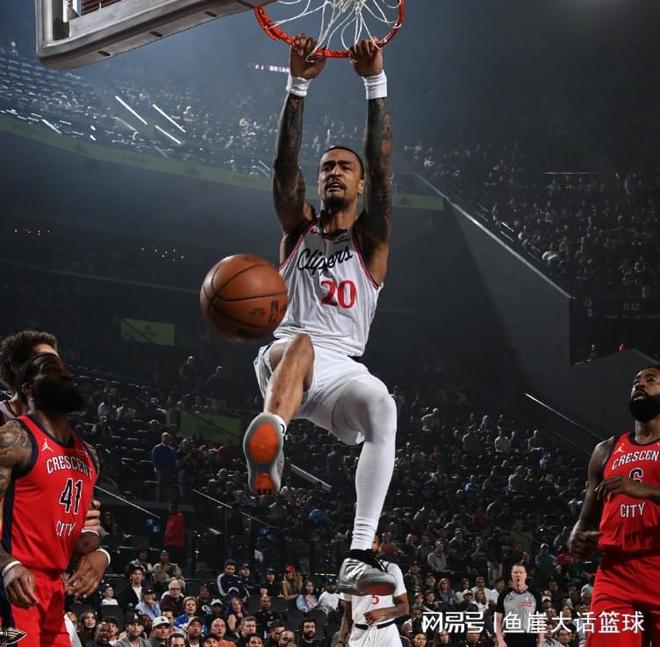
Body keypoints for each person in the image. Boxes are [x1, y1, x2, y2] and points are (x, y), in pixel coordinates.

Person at [243, 33, 398, 596]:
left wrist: (374, 82)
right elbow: (284, 166)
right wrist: (298, 85)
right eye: (327, 166)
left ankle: (357, 554)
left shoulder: (371, 239)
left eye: (344, 167)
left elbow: (383, 166)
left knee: (382, 405)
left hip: (342, 369)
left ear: (360, 183)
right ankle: (270, 437)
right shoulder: (297, 230)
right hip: (287, 356)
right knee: (303, 342)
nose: (333, 172)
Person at [0, 352, 110, 646]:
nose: (64, 376)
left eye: (65, 371)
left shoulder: (88, 455)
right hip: (13, 585)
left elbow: (84, 535)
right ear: (28, 388)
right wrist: (7, 566)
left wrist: (100, 555)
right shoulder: (14, 439)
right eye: (51, 369)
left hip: (54, 592)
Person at [568, 366, 660, 647]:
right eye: (635, 381)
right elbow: (585, 520)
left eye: (650, 379)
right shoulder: (606, 450)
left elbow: (641, 490)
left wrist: (645, 490)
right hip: (616, 572)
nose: (640, 384)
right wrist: (577, 539)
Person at [0, 330, 102, 530]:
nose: (60, 373)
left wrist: (85, 523)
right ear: (18, 368)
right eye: (48, 364)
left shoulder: (64, 437)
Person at [337, 534, 409, 647]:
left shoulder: (391, 569)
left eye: (373, 542)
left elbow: (405, 608)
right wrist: (340, 641)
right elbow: (347, 614)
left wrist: (382, 612)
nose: (368, 546)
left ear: (379, 547)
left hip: (386, 632)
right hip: (360, 634)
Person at [494, 563, 543, 647]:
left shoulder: (535, 594)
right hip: (509, 637)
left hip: (529, 637)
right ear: (511, 575)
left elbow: (540, 620)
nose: (518, 575)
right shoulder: (504, 595)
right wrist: (500, 639)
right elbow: (497, 620)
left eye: (521, 572)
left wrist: (540, 642)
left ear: (526, 575)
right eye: (515, 572)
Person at [164, 503, 186, 567]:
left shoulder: (179, 517)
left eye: (170, 507)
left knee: (174, 561)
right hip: (168, 543)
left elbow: (177, 530)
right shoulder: (170, 517)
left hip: (175, 544)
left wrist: (169, 536)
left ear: (175, 508)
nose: (169, 509)